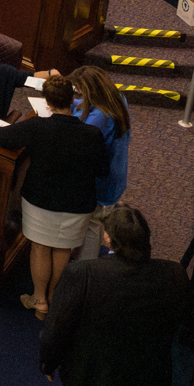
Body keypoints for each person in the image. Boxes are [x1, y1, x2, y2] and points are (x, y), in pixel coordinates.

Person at [38, 204, 191, 386]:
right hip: (148, 383)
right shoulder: (175, 274)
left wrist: (48, 362)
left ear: (108, 239)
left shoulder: (83, 274)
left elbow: (57, 329)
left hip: (95, 384)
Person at [0, 78, 109, 319]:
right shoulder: (92, 133)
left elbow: (0, 137)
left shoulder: (37, 126)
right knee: (63, 250)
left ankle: (39, 301)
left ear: (47, 102)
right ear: (72, 101)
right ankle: (54, 294)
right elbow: (102, 170)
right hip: (77, 204)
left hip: (41, 201)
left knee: (40, 247)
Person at [69, 65, 133, 259]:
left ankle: (86, 268)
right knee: (97, 223)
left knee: (91, 226)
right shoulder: (116, 98)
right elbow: (83, 109)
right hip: (115, 175)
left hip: (99, 184)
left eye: (78, 89)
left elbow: (77, 136)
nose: (76, 92)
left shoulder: (100, 117)